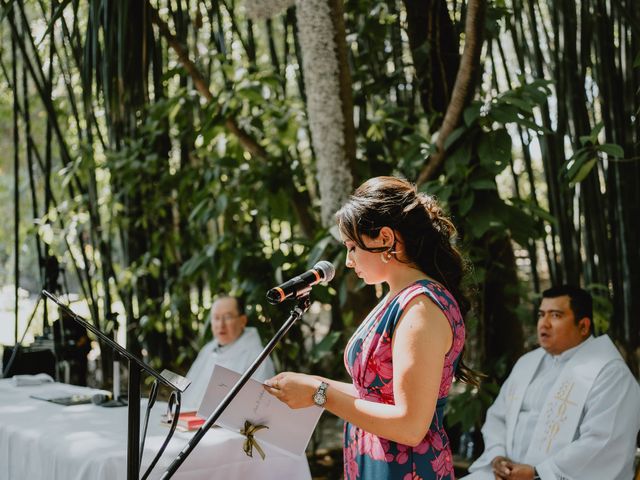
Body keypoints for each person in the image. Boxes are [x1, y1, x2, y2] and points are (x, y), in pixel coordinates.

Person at [264, 176, 476, 479]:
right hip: (374, 460)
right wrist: (311, 383)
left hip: (406, 469)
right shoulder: (397, 296)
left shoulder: (421, 309)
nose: (349, 261)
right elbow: (376, 395)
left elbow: (410, 425)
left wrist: (319, 393)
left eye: (352, 247)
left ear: (385, 238)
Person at [462, 285, 640, 480]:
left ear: (583, 326)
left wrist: (538, 472)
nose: (543, 324)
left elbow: (604, 442)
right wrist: (497, 457)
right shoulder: (527, 363)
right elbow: (498, 417)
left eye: (555, 315)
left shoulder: (610, 374)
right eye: (541, 314)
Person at [182, 294, 275, 410]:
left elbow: (259, 407)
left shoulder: (258, 357)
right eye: (216, 318)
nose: (221, 325)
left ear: (243, 321)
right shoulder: (207, 350)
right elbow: (186, 393)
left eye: (227, 317)